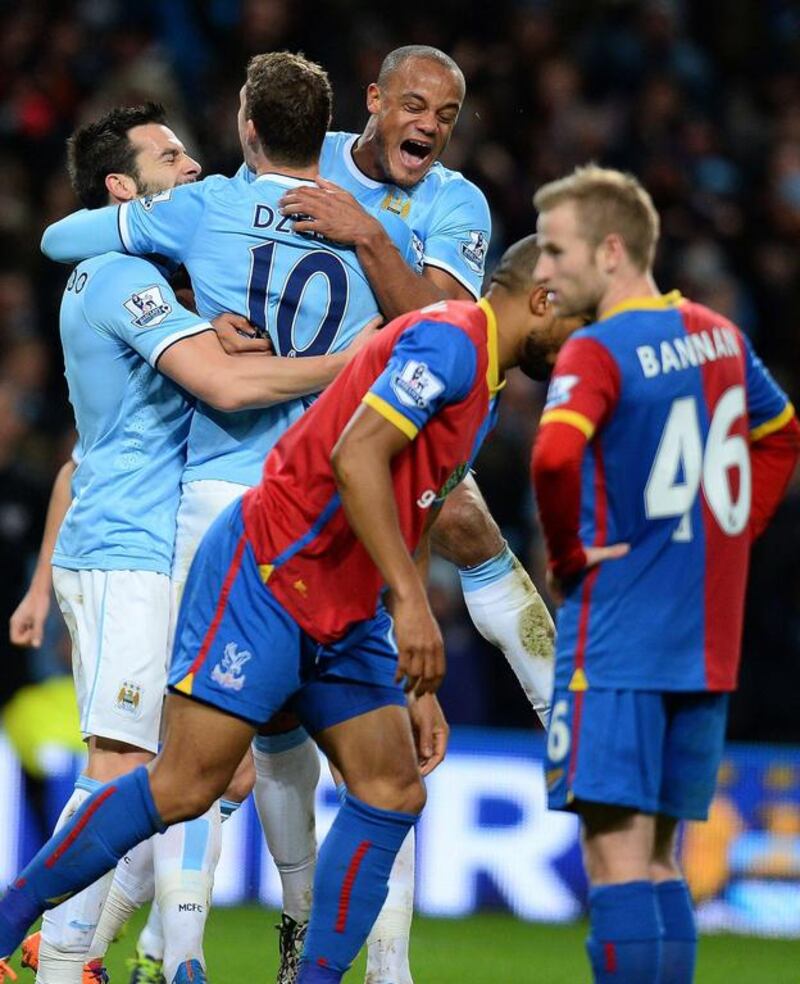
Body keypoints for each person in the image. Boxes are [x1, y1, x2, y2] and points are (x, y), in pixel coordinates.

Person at [0, 235, 583, 984]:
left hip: (344, 604)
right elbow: (356, 456)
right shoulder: (450, 343)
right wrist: (413, 604)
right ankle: (13, 918)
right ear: (542, 299)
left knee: (393, 788)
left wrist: (415, 671)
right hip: (270, 573)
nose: (583, 345)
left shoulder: (483, 376)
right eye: (583, 320)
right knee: (185, 784)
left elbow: (415, 504)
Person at [39, 53, 416, 984]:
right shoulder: (370, 237)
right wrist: (360, 348)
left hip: (204, 512)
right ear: (328, 132)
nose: (194, 164)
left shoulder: (198, 221)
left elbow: (56, 239)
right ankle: (184, 953)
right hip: (322, 513)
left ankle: (147, 952)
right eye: (172, 154)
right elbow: (430, 331)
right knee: (250, 762)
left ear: (248, 127)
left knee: (198, 768)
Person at [530, 164, 800, 983]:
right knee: (661, 860)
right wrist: (734, 530)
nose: (542, 270)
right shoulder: (720, 334)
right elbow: (783, 432)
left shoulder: (598, 347)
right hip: (702, 638)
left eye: (555, 249)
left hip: (616, 633)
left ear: (612, 251)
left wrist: (569, 557)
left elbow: (550, 455)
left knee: (612, 859)